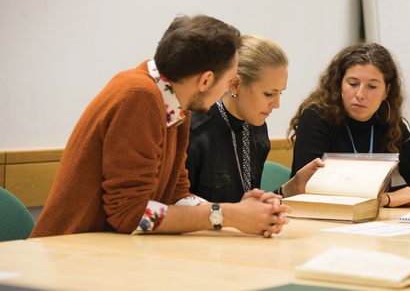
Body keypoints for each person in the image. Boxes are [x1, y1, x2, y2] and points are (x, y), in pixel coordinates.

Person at [31, 15, 289, 239]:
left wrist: (237, 212)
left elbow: (178, 193)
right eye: (228, 81)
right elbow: (130, 215)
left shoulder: (178, 101)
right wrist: (226, 215)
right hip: (70, 251)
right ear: (206, 80)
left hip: (109, 249)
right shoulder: (139, 97)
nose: (227, 90)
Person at [287, 42, 410, 207]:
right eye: (353, 84)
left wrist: (383, 199)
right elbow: (309, 188)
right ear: (339, 84)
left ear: (386, 91)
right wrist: (385, 199)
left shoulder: (390, 124)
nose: (360, 94)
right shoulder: (316, 118)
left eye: (372, 86)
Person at [186, 34, 323, 203]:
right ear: (235, 84)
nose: (277, 104)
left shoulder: (257, 128)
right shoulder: (194, 130)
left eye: (280, 93)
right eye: (269, 94)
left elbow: (248, 207)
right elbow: (176, 209)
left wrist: (291, 188)